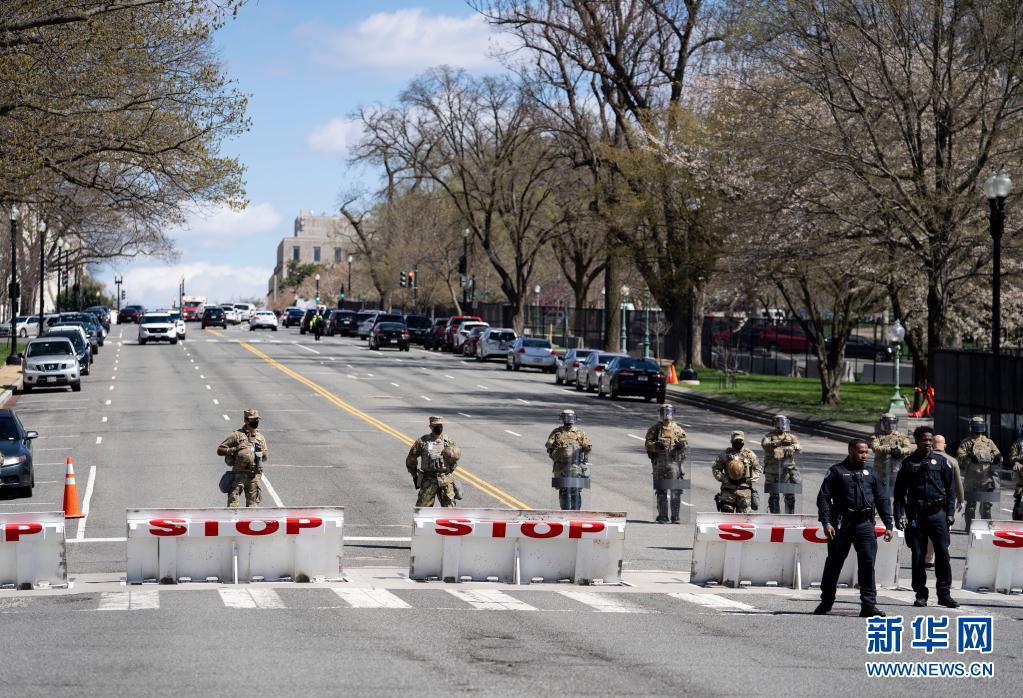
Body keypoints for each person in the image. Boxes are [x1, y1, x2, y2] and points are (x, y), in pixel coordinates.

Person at [814, 439, 894, 617]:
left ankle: (868, 605)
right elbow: (823, 499)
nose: (864, 455)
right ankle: (826, 601)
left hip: (865, 525)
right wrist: (826, 522)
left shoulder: (871, 474)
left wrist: (889, 524)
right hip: (842, 525)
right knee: (834, 563)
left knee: (867, 564)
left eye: (866, 452)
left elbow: (882, 500)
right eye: (860, 452)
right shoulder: (836, 472)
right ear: (850, 450)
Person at [893, 425, 959, 608]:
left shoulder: (941, 462)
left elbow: (951, 490)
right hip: (916, 515)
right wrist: (899, 515)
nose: (928, 443)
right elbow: (899, 494)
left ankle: (944, 593)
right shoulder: (908, 463)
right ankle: (920, 593)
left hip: (938, 514)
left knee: (943, 554)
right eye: (924, 440)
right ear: (917, 441)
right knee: (918, 555)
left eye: (930, 440)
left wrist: (951, 513)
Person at [956, 416, 1003, 531]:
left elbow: (998, 455)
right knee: (971, 506)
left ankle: (986, 528)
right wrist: (969, 457)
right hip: (972, 479)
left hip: (986, 479)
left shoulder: (988, 442)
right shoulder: (966, 442)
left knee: (986, 507)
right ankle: (969, 528)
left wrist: (996, 459)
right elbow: (960, 455)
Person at [644, 404, 688, 523]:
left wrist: (681, 445)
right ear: (660, 414)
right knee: (661, 491)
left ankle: (675, 516)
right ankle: (663, 516)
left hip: (674, 464)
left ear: (673, 413)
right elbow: (647, 444)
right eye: (664, 412)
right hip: (659, 464)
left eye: (669, 412)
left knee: (676, 491)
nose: (666, 415)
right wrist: (655, 445)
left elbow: (685, 444)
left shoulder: (678, 430)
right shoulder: (655, 429)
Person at [925, 435, 965, 567]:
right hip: (947, 501)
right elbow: (958, 483)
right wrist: (961, 500)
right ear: (945, 445)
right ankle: (943, 556)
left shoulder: (926, 459)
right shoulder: (952, 461)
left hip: (930, 500)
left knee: (930, 530)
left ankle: (929, 558)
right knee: (945, 529)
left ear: (932, 445)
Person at [216, 409, 269, 508]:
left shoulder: (260, 438)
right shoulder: (236, 435)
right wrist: (234, 449)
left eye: (257, 419)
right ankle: (232, 523)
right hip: (238, 476)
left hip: (254, 477)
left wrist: (261, 453)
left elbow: (265, 457)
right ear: (246, 420)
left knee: (253, 507)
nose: (255, 422)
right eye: (252, 419)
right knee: (233, 506)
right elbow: (220, 450)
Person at [405, 416, 461, 507]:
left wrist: (449, 472)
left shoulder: (448, 442)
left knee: (450, 511)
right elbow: (411, 459)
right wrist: (415, 475)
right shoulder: (423, 442)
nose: (439, 427)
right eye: (436, 425)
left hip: (445, 481)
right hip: (428, 480)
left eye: (440, 425)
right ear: (430, 427)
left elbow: (455, 459)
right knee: (423, 511)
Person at [545, 409, 592, 510]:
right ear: (562, 418)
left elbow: (588, 446)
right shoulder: (557, 432)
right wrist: (555, 457)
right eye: (566, 417)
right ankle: (565, 512)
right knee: (564, 490)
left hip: (575, 465)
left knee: (575, 490)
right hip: (560, 465)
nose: (569, 420)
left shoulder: (579, 432)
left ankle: (576, 512)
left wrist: (584, 458)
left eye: (571, 417)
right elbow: (549, 446)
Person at [712, 431, 762, 513]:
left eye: (740, 441)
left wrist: (751, 479)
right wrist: (724, 479)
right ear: (732, 441)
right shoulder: (725, 455)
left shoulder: (749, 455)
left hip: (744, 491)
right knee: (726, 516)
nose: (738, 442)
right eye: (736, 441)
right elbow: (716, 468)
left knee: (744, 519)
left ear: (743, 441)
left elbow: (758, 468)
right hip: (728, 490)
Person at [761, 415, 801, 513]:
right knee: (774, 496)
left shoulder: (791, 437)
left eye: (783, 422)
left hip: (787, 470)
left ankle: (790, 517)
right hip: (772, 470)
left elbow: (798, 446)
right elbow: (765, 445)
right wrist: (776, 443)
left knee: (790, 496)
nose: (781, 425)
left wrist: (793, 447)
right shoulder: (768, 436)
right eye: (778, 422)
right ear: (774, 423)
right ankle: (775, 517)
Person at [868, 412, 913, 492]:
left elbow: (908, 448)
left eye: (891, 423)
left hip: (896, 468)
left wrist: (900, 451)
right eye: (886, 423)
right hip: (880, 468)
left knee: (897, 489)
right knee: (880, 489)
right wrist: (890, 450)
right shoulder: (878, 436)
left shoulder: (901, 436)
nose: (889, 426)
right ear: (882, 424)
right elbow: (874, 447)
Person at [1010, 424, 1023, 521]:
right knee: (1019, 500)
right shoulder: (1018, 444)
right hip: (1021, 476)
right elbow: (1012, 458)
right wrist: (1020, 458)